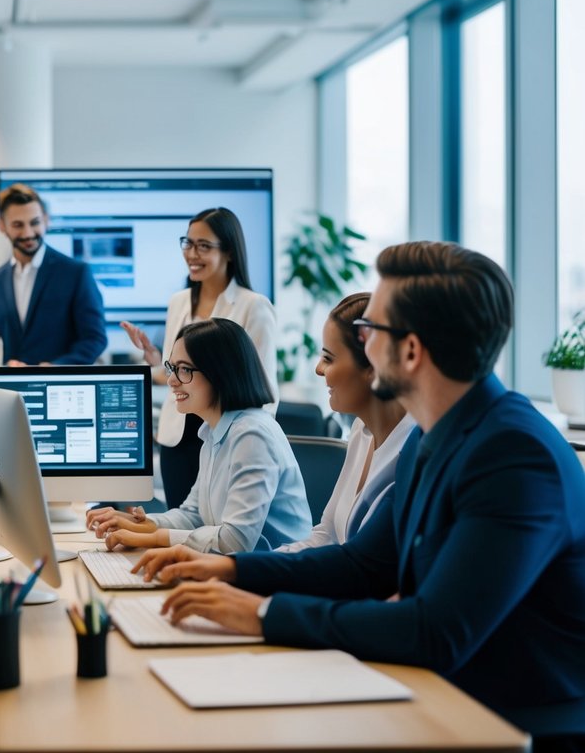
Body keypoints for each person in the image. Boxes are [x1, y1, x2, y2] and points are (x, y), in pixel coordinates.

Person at [135, 242, 585, 748]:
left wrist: (260, 614)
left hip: (509, 718)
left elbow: (434, 632)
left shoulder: (513, 454)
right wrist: (233, 570)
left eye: (369, 331)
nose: (360, 343)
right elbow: (361, 565)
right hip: (443, 689)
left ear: (410, 351)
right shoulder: (436, 436)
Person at [87, 318, 310, 553]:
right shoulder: (213, 433)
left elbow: (235, 541)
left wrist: (152, 538)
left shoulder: (252, 435)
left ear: (220, 372)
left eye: (184, 370)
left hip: (274, 577)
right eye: (172, 368)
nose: (172, 380)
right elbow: (192, 515)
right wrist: (141, 523)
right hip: (237, 573)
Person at [122, 207, 278, 509]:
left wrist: (252, 444)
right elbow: (177, 375)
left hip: (226, 437)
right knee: (182, 523)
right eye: (188, 243)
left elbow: (265, 390)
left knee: (222, 531)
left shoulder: (254, 306)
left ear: (229, 252)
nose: (192, 254)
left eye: (203, 246)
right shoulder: (179, 302)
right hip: (178, 438)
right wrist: (155, 361)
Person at [275, 292, 416, 551]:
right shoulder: (361, 430)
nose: (319, 368)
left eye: (328, 358)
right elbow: (327, 535)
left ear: (373, 366)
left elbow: (364, 568)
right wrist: (239, 568)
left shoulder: (413, 448)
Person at [0, 184, 107, 366]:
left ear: (46, 220)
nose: (28, 233)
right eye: (18, 225)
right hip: (9, 389)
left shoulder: (76, 273)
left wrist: (55, 368)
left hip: (59, 387)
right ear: (2, 226)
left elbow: (95, 339)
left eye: (34, 223)